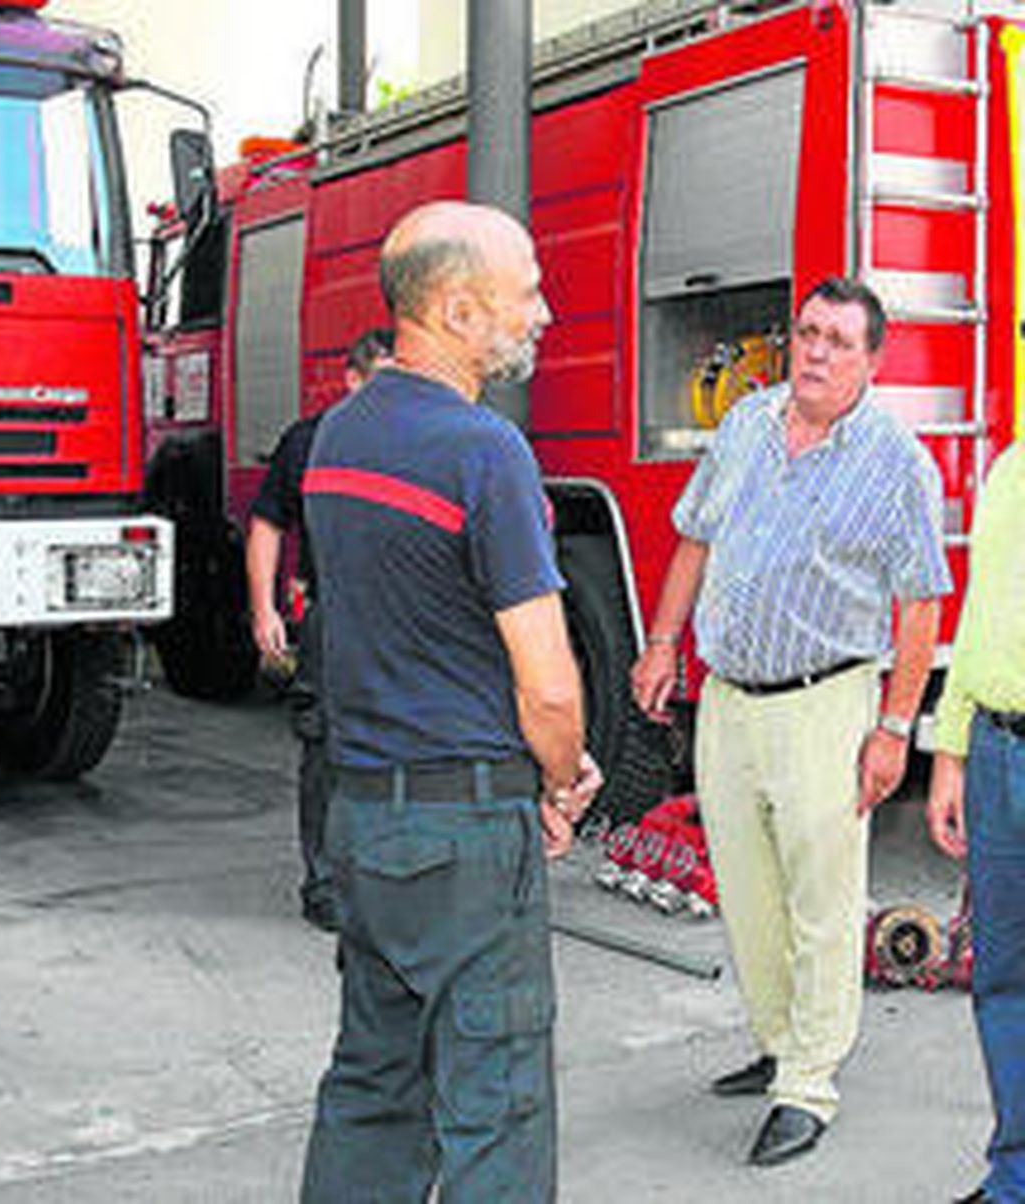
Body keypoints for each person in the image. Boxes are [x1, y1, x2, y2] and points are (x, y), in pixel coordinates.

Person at [298, 200, 601, 1204]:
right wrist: (562, 778)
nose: (543, 313)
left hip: (362, 819)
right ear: (458, 308)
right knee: (496, 1105)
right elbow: (547, 680)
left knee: (373, 1087)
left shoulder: (337, 437)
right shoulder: (483, 452)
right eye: (525, 293)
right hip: (465, 833)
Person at [630, 277, 951, 1168]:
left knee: (822, 900)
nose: (814, 352)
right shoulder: (745, 425)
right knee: (749, 891)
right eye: (807, 333)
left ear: (871, 363)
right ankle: (777, 1042)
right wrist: (662, 644)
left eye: (838, 342)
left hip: (826, 701)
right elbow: (695, 535)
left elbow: (920, 606)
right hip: (728, 699)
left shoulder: (897, 464)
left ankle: (809, 1084)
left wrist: (894, 729)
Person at [245, 327, 394, 932]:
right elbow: (266, 525)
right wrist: (264, 610)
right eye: (381, 384)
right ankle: (327, 884)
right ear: (351, 380)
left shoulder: (419, 443)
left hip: (404, 618)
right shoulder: (309, 442)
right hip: (336, 615)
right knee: (328, 747)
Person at [926, 442, 1025, 1204]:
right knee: (1003, 979)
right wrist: (952, 751)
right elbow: (979, 613)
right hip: (996, 751)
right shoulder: (1010, 470)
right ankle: (1015, 1176)